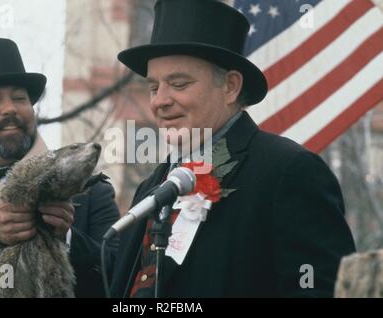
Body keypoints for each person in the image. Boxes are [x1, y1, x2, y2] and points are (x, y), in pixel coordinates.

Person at [110, 0, 356, 297]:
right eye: (153, 87)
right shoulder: (151, 188)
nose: (159, 100)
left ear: (230, 86)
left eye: (178, 84)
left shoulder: (288, 173)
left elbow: (317, 289)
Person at [0, 38, 119, 297]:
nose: (9, 109)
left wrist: (67, 238)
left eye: (20, 98)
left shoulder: (92, 192)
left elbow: (122, 273)